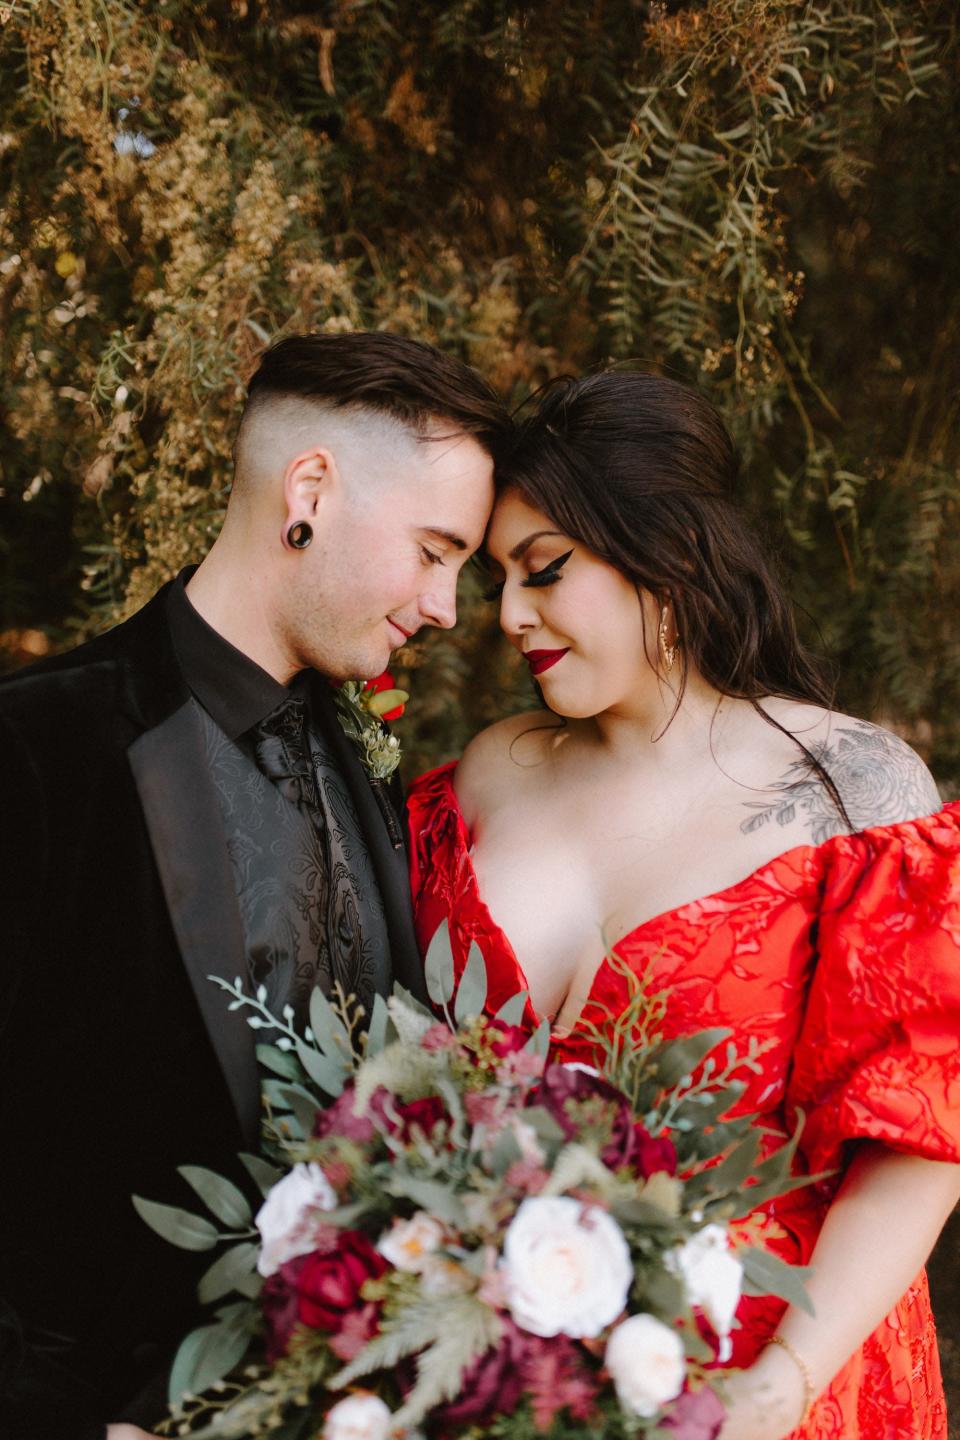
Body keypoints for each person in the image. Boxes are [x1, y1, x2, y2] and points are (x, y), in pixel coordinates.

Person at [407, 371, 960, 1440]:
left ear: (671, 555)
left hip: (778, 1376)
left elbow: (920, 1145)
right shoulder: (488, 776)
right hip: (516, 1378)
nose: (511, 615)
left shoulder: (854, 792)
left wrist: (774, 1389)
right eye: (497, 581)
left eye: (546, 571)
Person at [0, 331, 506, 1440]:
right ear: (310, 489)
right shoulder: (43, 748)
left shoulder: (372, 766)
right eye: (434, 550)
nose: (449, 606)